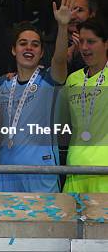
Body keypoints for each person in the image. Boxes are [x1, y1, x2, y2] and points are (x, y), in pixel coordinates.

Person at [0, 0, 72, 193]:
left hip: (40, 172)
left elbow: (60, 60)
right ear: (13, 50)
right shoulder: (2, 83)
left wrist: (62, 27)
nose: (29, 48)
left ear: (42, 52)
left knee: (45, 224)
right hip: (5, 170)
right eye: (23, 43)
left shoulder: (49, 80)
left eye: (35, 44)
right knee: (5, 225)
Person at [61, 20, 108, 193]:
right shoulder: (73, 79)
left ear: (106, 43)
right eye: (81, 41)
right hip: (75, 168)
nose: (85, 47)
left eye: (91, 41)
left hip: (104, 170)